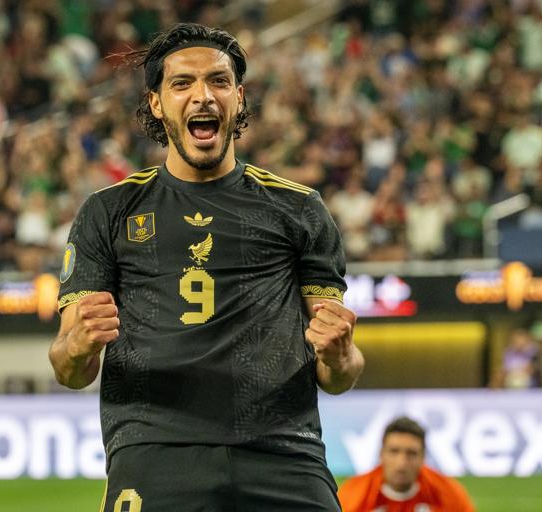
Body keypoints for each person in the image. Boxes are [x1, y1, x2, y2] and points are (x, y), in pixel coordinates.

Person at [49, 22, 364, 511]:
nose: (203, 96)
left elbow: (338, 375)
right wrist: (79, 342)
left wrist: (340, 352)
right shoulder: (108, 211)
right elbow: (69, 370)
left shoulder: (298, 208)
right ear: (156, 103)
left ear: (238, 98)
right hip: (155, 451)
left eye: (218, 81)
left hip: (282, 451)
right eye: (183, 83)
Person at [337, 416, 475, 512]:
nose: (401, 463)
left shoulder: (449, 494)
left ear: (423, 457)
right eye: (394, 451)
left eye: (411, 453)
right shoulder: (353, 495)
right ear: (381, 454)